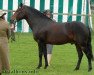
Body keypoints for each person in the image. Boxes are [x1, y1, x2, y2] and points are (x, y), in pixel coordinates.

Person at [0, 10, 10, 75]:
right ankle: (6, 69)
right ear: (2, 16)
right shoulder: (6, 23)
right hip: (3, 41)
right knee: (5, 56)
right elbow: (9, 34)